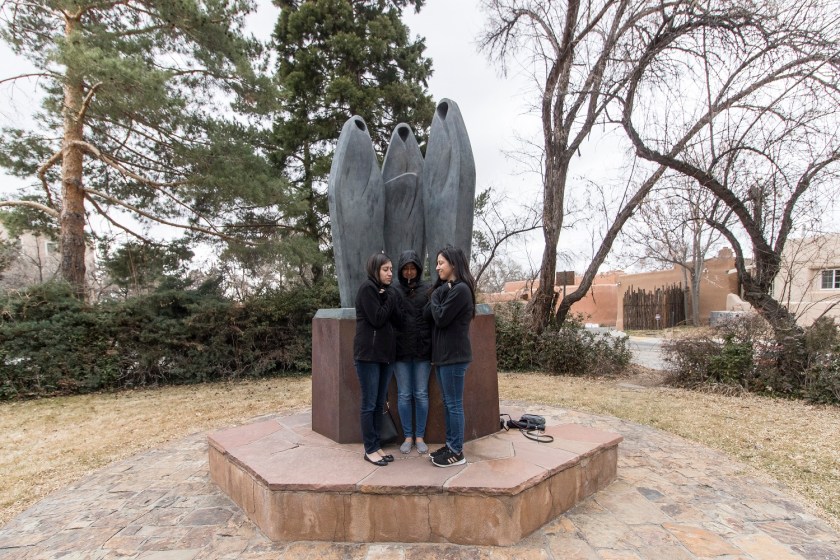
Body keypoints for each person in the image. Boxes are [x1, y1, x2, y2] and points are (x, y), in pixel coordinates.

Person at [425, 245, 476, 468]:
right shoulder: (449, 289)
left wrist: (436, 295)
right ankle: (450, 444)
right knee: (448, 403)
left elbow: (441, 317)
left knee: (454, 405)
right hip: (444, 356)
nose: (437, 267)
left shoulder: (461, 290)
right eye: (437, 263)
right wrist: (438, 294)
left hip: (454, 357)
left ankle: (457, 451)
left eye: (441, 263)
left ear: (453, 264)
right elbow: (428, 314)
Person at [354, 252, 401, 467]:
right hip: (369, 356)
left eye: (391, 269)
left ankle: (376, 445)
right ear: (375, 270)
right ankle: (370, 449)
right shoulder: (368, 289)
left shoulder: (385, 292)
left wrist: (390, 296)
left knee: (379, 403)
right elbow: (378, 318)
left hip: (385, 356)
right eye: (385, 269)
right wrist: (390, 297)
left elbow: (397, 320)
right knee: (369, 403)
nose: (390, 273)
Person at [393, 250, 433, 455]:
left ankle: (420, 436)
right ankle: (408, 436)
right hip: (400, 352)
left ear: (418, 269)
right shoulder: (394, 290)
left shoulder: (428, 289)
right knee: (404, 394)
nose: (409, 272)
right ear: (401, 270)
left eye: (412, 268)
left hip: (422, 350)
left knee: (421, 394)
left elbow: (431, 319)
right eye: (405, 268)